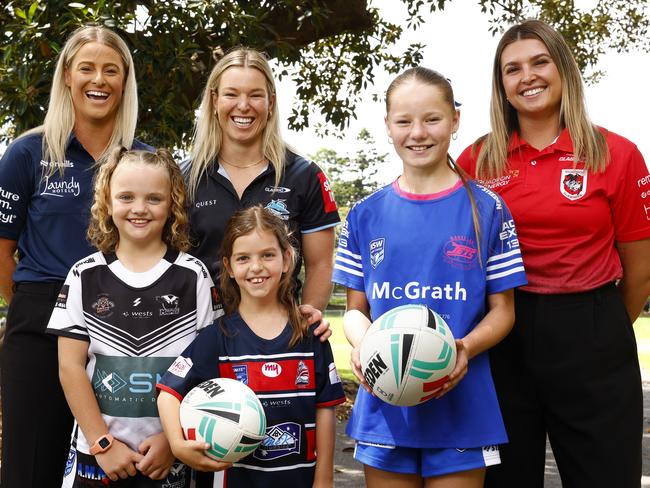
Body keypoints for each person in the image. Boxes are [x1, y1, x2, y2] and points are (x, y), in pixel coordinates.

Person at [457, 19, 650, 488]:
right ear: (501, 85)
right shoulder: (476, 161)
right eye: (513, 69)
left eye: (540, 62)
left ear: (563, 69)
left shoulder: (616, 154)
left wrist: (596, 332)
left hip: (593, 333)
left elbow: (640, 270)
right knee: (505, 480)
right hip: (504, 332)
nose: (528, 77)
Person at [332, 67, 528, 487]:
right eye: (404, 121)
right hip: (386, 401)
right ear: (388, 126)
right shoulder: (366, 213)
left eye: (432, 119)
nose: (417, 132)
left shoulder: (487, 209)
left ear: (454, 120)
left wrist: (464, 348)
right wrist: (365, 344)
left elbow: (503, 311)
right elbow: (354, 310)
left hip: (461, 401)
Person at [0, 25, 151, 487]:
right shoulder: (28, 153)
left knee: (115, 466)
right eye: (86, 68)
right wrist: (38, 307)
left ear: (124, 82)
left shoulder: (143, 161)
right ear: (67, 76)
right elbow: (2, 250)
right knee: (30, 469)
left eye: (111, 70)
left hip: (123, 324)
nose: (98, 80)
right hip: (39, 322)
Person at [46, 147, 218, 487]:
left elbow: (209, 365)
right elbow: (70, 368)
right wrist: (102, 444)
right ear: (107, 202)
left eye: (154, 198)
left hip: (170, 458)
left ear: (172, 205)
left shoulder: (192, 275)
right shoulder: (84, 274)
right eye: (127, 196)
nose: (140, 208)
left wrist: (174, 441)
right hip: (97, 456)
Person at [157, 206, 346, 487]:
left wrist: (324, 479)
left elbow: (325, 409)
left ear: (286, 259)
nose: (256, 267)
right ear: (229, 267)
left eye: (267, 255)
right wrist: (176, 443)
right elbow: (168, 392)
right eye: (243, 258)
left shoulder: (310, 334)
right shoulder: (217, 338)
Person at [184, 47, 339, 317]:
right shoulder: (183, 176)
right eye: (231, 94)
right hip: (199, 338)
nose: (243, 106)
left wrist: (305, 324)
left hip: (276, 339)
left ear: (270, 102)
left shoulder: (305, 175)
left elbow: (320, 265)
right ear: (214, 99)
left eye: (255, 95)